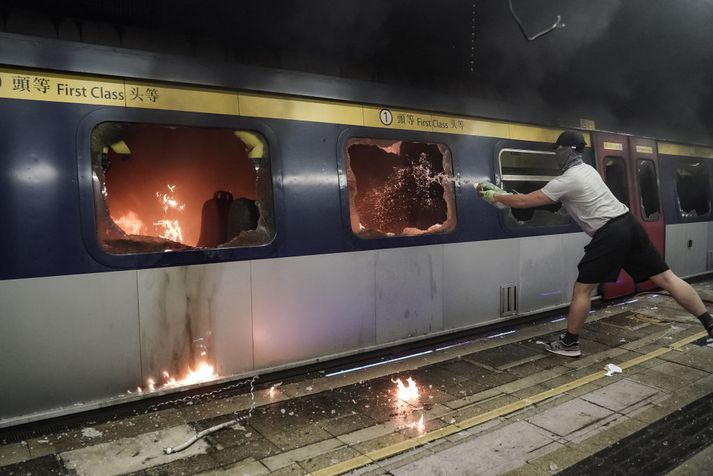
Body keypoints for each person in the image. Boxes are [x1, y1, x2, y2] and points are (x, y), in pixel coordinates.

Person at [479, 130, 713, 357]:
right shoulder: (588, 170)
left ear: (566, 150)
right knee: (666, 278)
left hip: (610, 233)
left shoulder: (567, 180)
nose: (556, 154)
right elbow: (556, 201)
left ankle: (569, 343)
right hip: (629, 223)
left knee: (583, 288)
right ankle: (710, 325)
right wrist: (509, 196)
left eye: (557, 150)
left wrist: (496, 196)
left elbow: (526, 202)